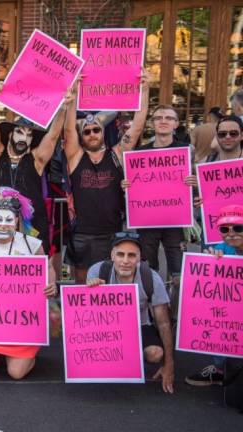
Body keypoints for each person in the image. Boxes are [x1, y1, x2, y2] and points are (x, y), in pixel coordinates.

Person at [63, 73, 149, 283]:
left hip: (111, 233)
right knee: (83, 284)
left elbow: (136, 128)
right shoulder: (75, 156)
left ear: (103, 133)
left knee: (110, 282)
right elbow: (68, 129)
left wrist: (145, 91)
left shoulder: (116, 153)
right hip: (82, 233)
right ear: (81, 137)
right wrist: (72, 98)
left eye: (96, 130)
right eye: (87, 132)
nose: (92, 134)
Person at [0, 193, 57, 379]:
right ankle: (4, 352)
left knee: (16, 374)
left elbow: (47, 266)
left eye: (8, 219)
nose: (3, 224)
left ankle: (26, 354)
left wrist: (51, 284)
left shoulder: (32, 244)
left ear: (17, 220)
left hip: (25, 319)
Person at [122, 104, 198, 313]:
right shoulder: (140, 153)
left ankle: (176, 317)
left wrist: (194, 181)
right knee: (148, 270)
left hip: (175, 221)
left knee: (178, 275)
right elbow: (133, 185)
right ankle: (151, 315)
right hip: (148, 221)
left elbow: (195, 184)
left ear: (176, 124)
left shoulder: (186, 151)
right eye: (158, 118)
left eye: (169, 118)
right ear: (152, 123)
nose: (163, 121)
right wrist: (126, 185)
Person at [0, 84, 73, 253]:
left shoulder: (36, 160)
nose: (23, 138)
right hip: (0, 224)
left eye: (29, 134)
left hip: (32, 226)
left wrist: (63, 107)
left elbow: (53, 135)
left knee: (35, 268)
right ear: (10, 134)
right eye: (19, 132)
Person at [86, 232, 175, 394]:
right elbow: (84, 316)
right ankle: (118, 356)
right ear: (112, 255)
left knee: (155, 354)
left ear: (139, 258)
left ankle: (127, 357)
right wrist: (92, 292)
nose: (125, 261)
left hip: (139, 325)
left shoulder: (151, 278)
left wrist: (169, 364)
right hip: (106, 329)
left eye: (131, 255)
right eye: (120, 254)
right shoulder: (97, 271)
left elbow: (163, 323)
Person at [185, 204, 243, 386]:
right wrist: (209, 261)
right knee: (216, 318)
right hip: (232, 308)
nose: (231, 233)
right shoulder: (221, 248)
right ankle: (220, 370)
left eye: (238, 228)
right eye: (225, 229)